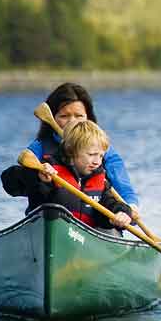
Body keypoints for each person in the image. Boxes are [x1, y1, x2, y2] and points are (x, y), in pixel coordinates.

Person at [26, 81, 140, 220]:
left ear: (88, 118)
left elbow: (123, 189)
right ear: (53, 119)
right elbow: (16, 183)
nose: (72, 122)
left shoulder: (104, 151)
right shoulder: (40, 148)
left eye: (79, 116)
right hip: (50, 219)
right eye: (64, 116)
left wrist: (129, 209)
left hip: (96, 223)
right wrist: (37, 175)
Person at [1, 120, 134, 232]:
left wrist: (120, 214)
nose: (97, 161)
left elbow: (110, 204)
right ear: (71, 151)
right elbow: (9, 182)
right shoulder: (50, 171)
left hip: (84, 240)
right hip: (48, 232)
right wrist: (36, 175)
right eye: (92, 154)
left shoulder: (99, 180)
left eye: (100, 156)